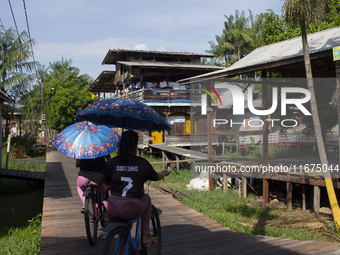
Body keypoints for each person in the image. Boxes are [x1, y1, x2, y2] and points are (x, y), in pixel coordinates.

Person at [103, 130, 168, 247]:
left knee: (124, 225)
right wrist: (164, 173)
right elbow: (156, 177)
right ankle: (145, 236)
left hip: (112, 208)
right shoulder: (142, 163)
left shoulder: (112, 162)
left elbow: (105, 187)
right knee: (147, 198)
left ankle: (118, 252)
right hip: (131, 208)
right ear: (135, 144)